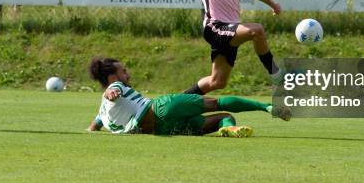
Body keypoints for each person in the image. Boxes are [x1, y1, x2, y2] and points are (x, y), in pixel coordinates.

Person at [86, 57, 291, 137]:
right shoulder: (115, 87)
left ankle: (229, 129)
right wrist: (111, 92)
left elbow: (93, 127)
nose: (127, 75)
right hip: (163, 107)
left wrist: (90, 130)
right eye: (123, 71)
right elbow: (112, 91)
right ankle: (267, 107)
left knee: (224, 116)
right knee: (216, 103)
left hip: (163, 129)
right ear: (113, 77)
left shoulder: (102, 111)